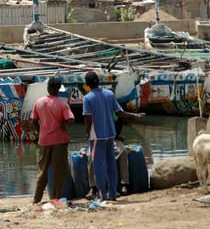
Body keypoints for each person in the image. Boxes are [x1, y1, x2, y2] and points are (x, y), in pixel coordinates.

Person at [82, 70, 142, 202]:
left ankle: (102, 194)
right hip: (110, 135)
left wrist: (88, 134)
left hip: (96, 137)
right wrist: (135, 115)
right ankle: (112, 193)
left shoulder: (87, 98)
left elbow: (88, 119)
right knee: (111, 165)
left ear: (87, 84)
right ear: (98, 81)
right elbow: (120, 113)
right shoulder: (109, 94)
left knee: (99, 166)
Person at [31, 75, 75, 204]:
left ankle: (36, 199)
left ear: (48, 87)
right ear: (58, 89)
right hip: (60, 140)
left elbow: (34, 121)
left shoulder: (38, 102)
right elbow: (71, 119)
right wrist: (64, 125)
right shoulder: (62, 104)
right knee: (58, 171)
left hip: (44, 140)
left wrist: (40, 132)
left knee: (42, 171)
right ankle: (55, 198)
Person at [86, 111, 144, 199]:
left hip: (114, 139)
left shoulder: (116, 112)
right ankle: (93, 187)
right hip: (98, 139)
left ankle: (124, 183)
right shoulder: (96, 109)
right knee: (91, 156)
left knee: (123, 152)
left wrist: (135, 115)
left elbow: (121, 114)